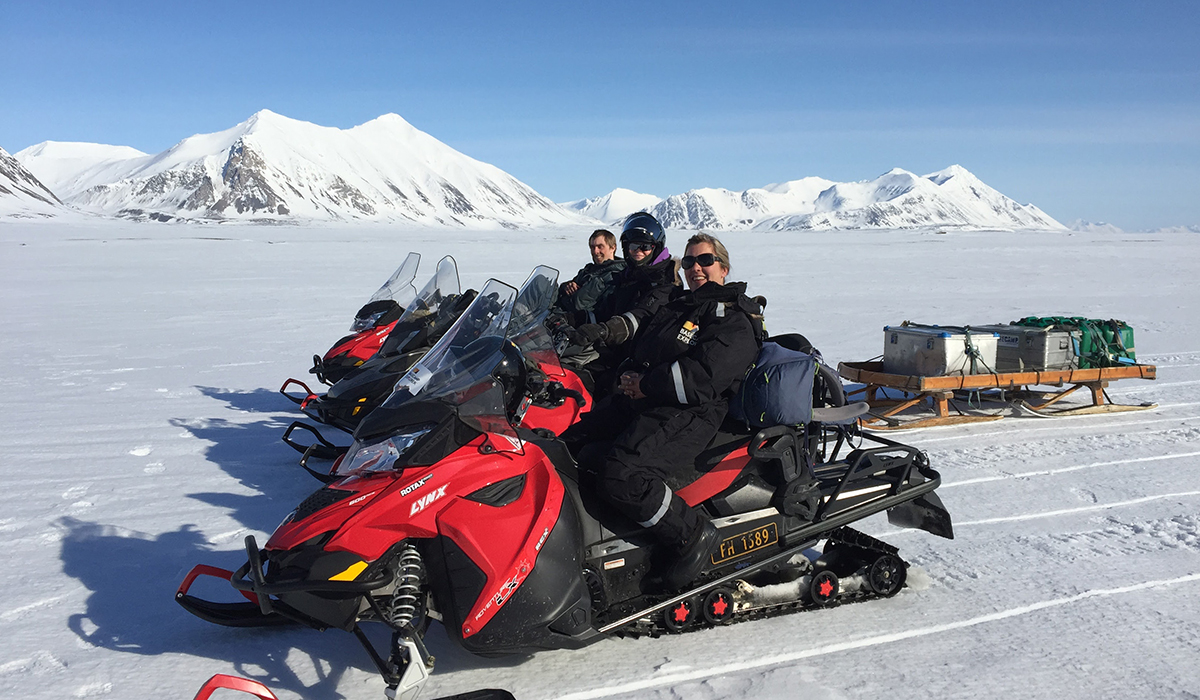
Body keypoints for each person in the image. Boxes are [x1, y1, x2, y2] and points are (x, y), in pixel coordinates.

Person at [565, 232, 762, 591]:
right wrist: (624, 371)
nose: (696, 268)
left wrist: (646, 383)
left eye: (705, 261)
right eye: (688, 262)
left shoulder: (732, 320)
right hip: (649, 400)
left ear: (724, 267)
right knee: (571, 443)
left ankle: (691, 537)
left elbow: (703, 377)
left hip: (691, 412)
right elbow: (645, 343)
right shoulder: (684, 305)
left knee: (622, 474)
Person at [555, 229, 625, 326]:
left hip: (586, 328)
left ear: (612, 248)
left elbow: (581, 304)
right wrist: (567, 286)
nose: (595, 251)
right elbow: (570, 288)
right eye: (592, 247)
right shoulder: (588, 270)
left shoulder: (616, 275)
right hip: (562, 318)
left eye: (600, 247)